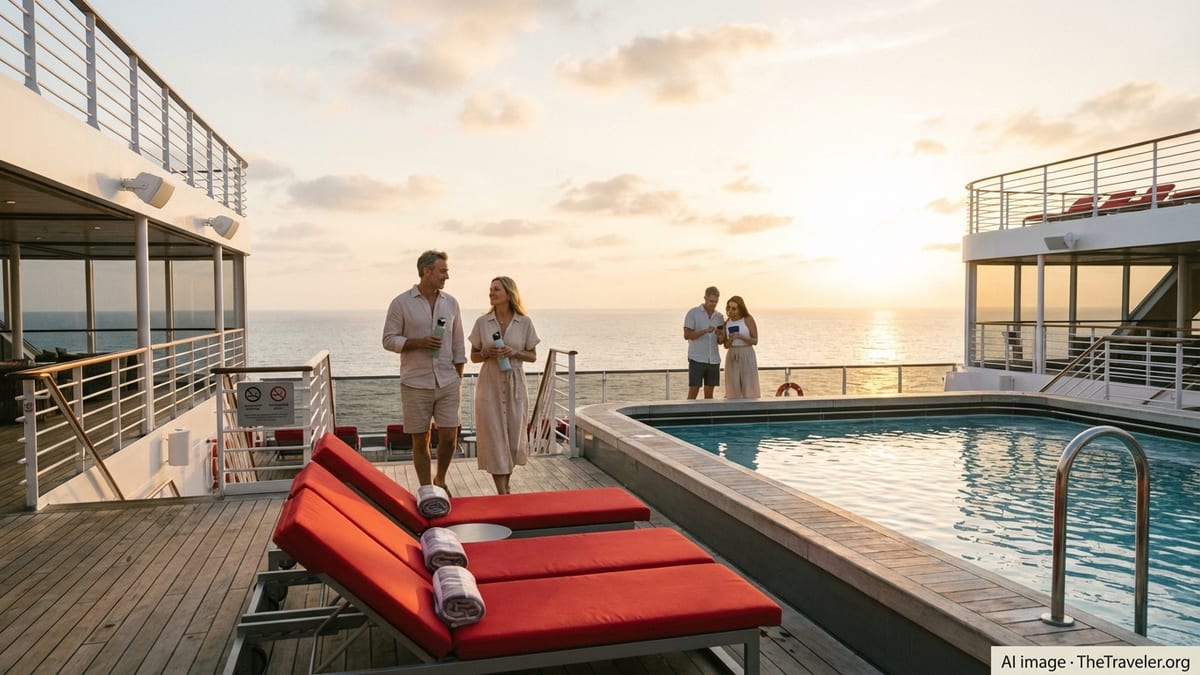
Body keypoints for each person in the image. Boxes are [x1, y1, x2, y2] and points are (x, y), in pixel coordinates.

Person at [382, 250, 467, 492]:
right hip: (415, 383)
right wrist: (418, 342)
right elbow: (388, 340)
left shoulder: (451, 303)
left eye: (447, 271)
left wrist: (458, 377)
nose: (447, 276)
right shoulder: (401, 303)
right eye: (443, 271)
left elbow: (459, 343)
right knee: (421, 440)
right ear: (426, 271)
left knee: (450, 437)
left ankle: (441, 478)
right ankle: (427, 489)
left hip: (448, 381)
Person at [469, 276, 540, 495]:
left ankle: (506, 484)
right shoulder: (483, 322)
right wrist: (485, 352)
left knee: (513, 440)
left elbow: (533, 356)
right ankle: (502, 492)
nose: (491, 293)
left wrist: (515, 352)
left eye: (496, 289)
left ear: (508, 293)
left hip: (515, 382)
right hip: (490, 382)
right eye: (490, 289)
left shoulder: (524, 322)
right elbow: (473, 357)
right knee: (494, 437)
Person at [682, 286, 723, 399]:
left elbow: (720, 342)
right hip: (697, 359)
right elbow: (687, 335)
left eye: (716, 301)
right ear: (705, 298)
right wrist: (705, 331)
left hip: (714, 360)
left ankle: (708, 416)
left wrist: (720, 336)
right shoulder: (693, 313)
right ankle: (689, 415)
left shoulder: (719, 317)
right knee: (693, 392)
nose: (713, 304)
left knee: (709, 395)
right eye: (711, 301)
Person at [719, 295, 760, 399]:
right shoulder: (727, 322)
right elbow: (725, 345)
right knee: (733, 386)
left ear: (740, 309)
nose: (730, 311)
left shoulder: (747, 319)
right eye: (729, 308)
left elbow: (755, 340)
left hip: (747, 353)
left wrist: (741, 337)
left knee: (749, 386)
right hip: (732, 354)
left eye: (734, 308)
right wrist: (731, 339)